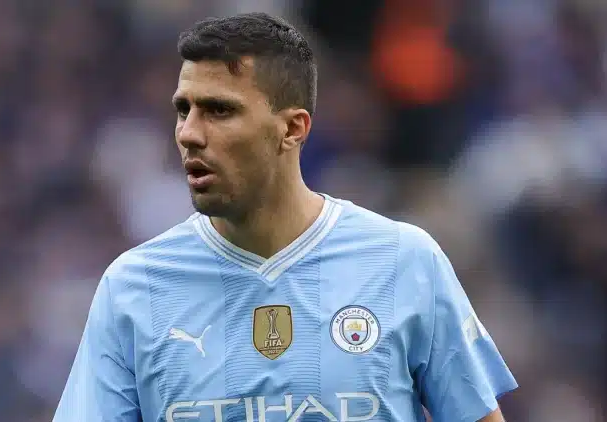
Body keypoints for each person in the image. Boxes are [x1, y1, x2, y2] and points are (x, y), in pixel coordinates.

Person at [53, 12, 517, 422]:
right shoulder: (134, 288)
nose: (189, 133)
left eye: (219, 110)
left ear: (293, 128)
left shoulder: (404, 262)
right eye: (183, 110)